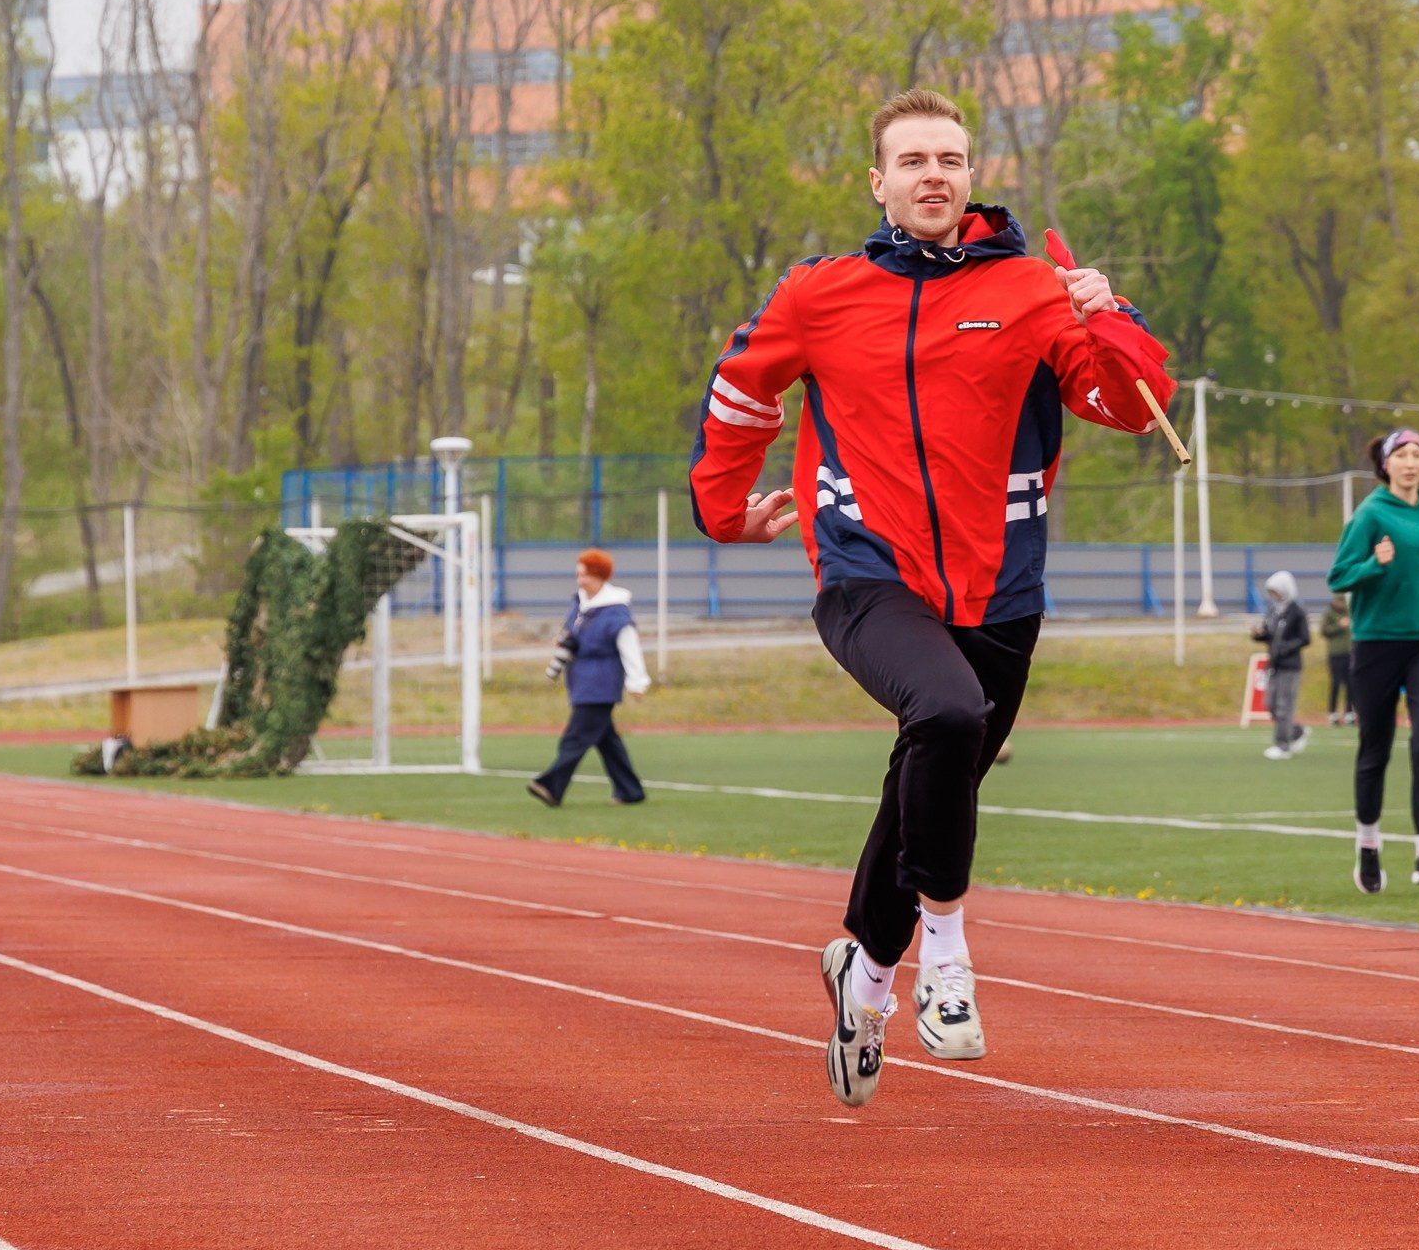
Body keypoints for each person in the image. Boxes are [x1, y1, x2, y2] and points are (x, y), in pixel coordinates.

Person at [690, 87, 1176, 1107]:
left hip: (1002, 590)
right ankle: (946, 959)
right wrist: (724, 509)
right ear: (879, 182)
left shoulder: (1035, 288)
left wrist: (1110, 316)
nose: (933, 175)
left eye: (949, 159)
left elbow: (1130, 408)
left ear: (970, 176)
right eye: (912, 160)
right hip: (867, 573)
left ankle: (865, 976)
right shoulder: (819, 292)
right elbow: (741, 389)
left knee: (928, 776)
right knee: (947, 715)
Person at [1327, 429, 1419, 894]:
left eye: (1418, 455)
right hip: (1376, 643)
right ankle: (1368, 845)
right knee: (1375, 749)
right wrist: (1374, 564)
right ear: (1386, 464)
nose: (1411, 463)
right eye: (1402, 455)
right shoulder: (1371, 514)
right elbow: (1339, 576)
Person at [527, 549, 650, 807]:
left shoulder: (616, 612)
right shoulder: (580, 606)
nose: (580, 580)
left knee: (576, 737)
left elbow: (630, 647)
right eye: (578, 575)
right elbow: (572, 635)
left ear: (600, 576)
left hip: (601, 684)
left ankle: (551, 786)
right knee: (607, 741)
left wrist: (637, 682)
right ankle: (630, 791)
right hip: (581, 681)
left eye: (585, 575)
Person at [1248, 570, 1310, 758]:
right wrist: (1259, 634)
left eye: (1276, 591)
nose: (1274, 595)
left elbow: (1305, 638)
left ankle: (1282, 745)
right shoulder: (1274, 610)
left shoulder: (1296, 611)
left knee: (1284, 705)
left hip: (1290, 666)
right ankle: (1297, 732)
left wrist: (1287, 647)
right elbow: (1270, 633)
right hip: (1274, 664)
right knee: (1270, 704)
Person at [1320, 591, 1355, 725]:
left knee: (1350, 684)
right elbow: (1324, 631)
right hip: (1335, 653)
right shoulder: (1329, 613)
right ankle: (1332, 713)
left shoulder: (1349, 612)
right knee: (1336, 683)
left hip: (1349, 653)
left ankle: (1349, 712)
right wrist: (1338, 626)